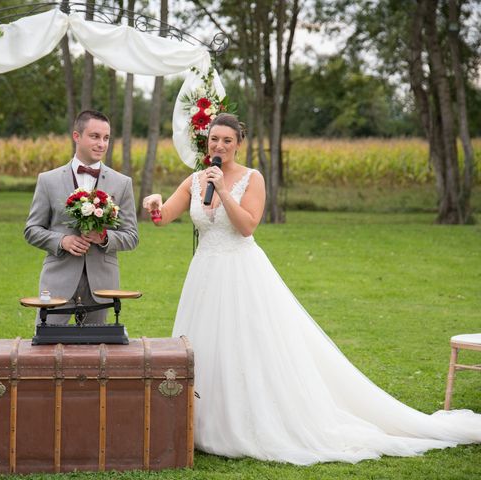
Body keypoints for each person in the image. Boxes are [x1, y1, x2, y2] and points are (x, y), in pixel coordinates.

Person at [142, 113, 481, 465]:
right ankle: (202, 423)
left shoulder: (251, 179)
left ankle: (248, 422)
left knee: (245, 344)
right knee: (206, 343)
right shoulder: (195, 180)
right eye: (214, 140)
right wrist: (154, 206)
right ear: (206, 142)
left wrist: (225, 192)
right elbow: (164, 217)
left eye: (227, 141)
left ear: (238, 144)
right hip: (205, 275)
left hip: (241, 273)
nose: (219, 146)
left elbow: (247, 227)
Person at [25, 110, 138, 325]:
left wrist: (104, 238)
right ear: (76, 136)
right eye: (95, 136)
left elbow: (131, 236)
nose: (101, 144)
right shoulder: (48, 181)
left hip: (102, 285)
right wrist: (61, 241)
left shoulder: (122, 183)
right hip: (57, 280)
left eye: (106, 138)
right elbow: (31, 230)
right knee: (46, 348)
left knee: (95, 354)